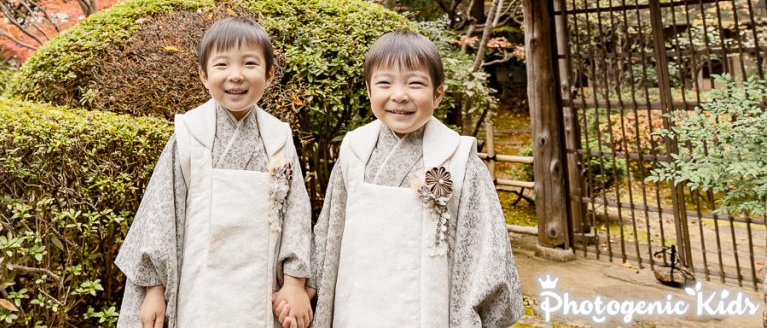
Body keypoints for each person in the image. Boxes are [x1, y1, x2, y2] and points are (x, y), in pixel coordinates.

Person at [276, 30, 523, 328]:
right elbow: (330, 230)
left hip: (429, 308)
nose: (399, 95)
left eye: (415, 83)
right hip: (356, 304)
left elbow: (484, 246)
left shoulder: (458, 159)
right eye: (384, 83)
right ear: (369, 91)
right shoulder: (355, 150)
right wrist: (305, 287)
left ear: (438, 93)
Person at [116, 16, 314, 328]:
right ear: (204, 76)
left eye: (249, 63)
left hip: (258, 290)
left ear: (269, 73)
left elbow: (296, 216)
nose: (236, 76)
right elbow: (160, 214)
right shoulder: (189, 134)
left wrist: (294, 281)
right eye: (222, 65)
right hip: (198, 288)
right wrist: (154, 289)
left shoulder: (278, 139)